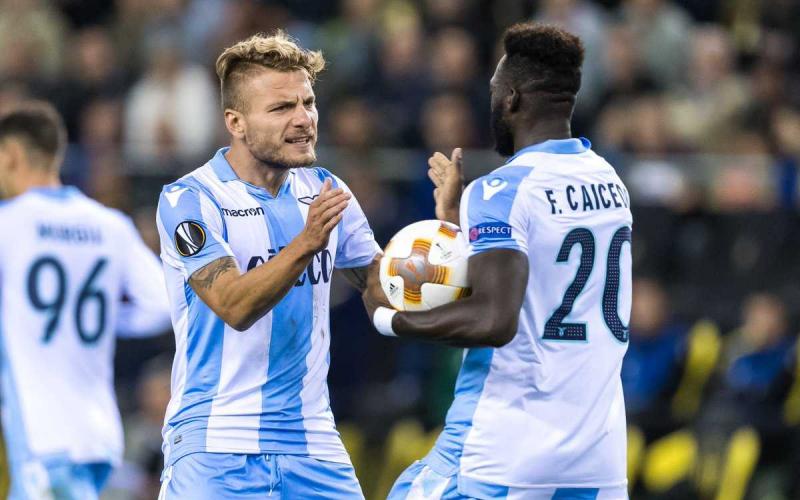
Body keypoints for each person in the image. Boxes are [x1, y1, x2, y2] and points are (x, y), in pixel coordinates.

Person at [364, 22, 633, 499]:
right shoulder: (610, 183)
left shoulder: (502, 189)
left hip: (505, 449)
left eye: (492, 89)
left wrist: (391, 318)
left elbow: (494, 319)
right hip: (597, 457)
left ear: (511, 98)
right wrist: (459, 221)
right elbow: (543, 285)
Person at [155, 31, 379, 499]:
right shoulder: (190, 199)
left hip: (313, 443)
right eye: (281, 109)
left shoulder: (325, 189)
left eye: (308, 103)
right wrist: (308, 242)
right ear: (235, 122)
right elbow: (234, 305)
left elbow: (379, 289)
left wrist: (435, 254)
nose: (303, 120)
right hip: (217, 444)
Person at [0, 101, 171, 499]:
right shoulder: (109, 225)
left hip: (42, 434)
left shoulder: (10, 223)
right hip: (98, 433)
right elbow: (164, 303)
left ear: (10, 156)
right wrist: (111, 317)